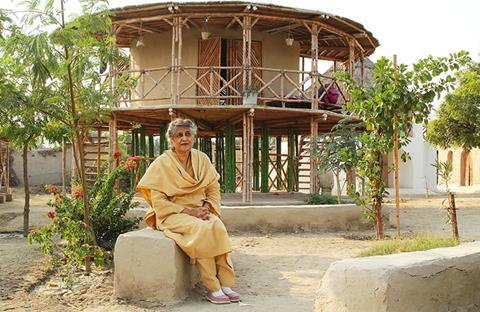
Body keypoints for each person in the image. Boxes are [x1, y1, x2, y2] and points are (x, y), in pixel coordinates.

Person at [136, 118, 240, 304]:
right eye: (179, 135)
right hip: (172, 215)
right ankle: (213, 287)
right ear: (172, 140)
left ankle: (226, 283)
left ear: (194, 137)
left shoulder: (202, 159)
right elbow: (159, 203)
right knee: (202, 230)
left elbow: (213, 189)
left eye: (188, 134)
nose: (184, 139)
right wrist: (189, 212)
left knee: (217, 226)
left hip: (201, 211)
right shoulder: (161, 164)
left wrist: (207, 208)